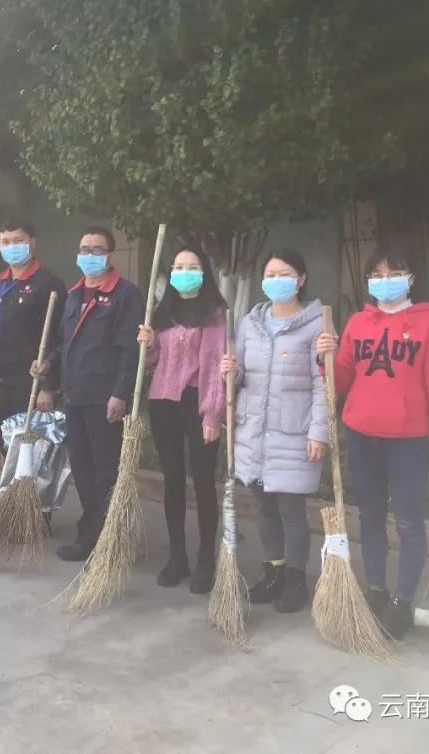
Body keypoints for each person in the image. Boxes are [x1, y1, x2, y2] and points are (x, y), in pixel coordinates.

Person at [317, 248, 429, 640]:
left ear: (411, 278)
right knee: (370, 517)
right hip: (361, 435)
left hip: (407, 440)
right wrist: (324, 358)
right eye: (377, 274)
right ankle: (377, 591)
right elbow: (341, 380)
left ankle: (402, 601)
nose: (386, 281)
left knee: (409, 522)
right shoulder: (358, 322)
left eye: (394, 272)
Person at [219, 248, 328, 613]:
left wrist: (319, 433)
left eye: (284, 274)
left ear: (301, 279)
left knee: (292, 512)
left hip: (293, 433)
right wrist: (230, 372)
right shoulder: (250, 323)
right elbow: (240, 378)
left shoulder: (317, 324)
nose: (276, 280)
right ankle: (273, 573)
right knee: (264, 509)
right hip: (254, 432)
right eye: (270, 274)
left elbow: (323, 384)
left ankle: (296, 581)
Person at [37, 226, 144, 561]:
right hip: (75, 396)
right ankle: (93, 533)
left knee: (105, 471)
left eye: (97, 250)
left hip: (104, 398)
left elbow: (130, 349)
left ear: (110, 256)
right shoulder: (73, 294)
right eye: (84, 249)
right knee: (82, 470)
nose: (89, 255)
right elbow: (63, 344)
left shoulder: (125, 295)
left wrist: (120, 393)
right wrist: (47, 368)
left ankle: (108, 538)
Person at [137, 248, 226, 593]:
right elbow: (152, 361)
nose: (184, 272)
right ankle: (177, 555)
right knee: (171, 478)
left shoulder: (214, 314)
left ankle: (206, 557)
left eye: (192, 267)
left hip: (197, 402)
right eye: (178, 267)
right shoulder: (163, 310)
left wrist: (213, 413)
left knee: (203, 480)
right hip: (162, 401)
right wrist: (147, 345)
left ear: (204, 273)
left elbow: (215, 366)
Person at [0, 221, 66, 455]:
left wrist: (49, 387)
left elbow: (59, 338)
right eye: (5, 242)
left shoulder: (48, 283)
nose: (11, 247)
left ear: (32, 243)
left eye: (18, 241)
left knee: (31, 452)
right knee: (6, 446)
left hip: (31, 382)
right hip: (0, 380)